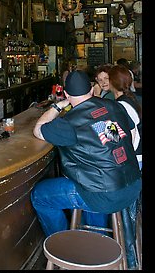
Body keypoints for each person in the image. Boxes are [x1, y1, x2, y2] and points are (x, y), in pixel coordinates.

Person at [30, 70, 141, 241]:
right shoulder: (114, 106)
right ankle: (98, 242)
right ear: (91, 90)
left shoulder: (69, 122)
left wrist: (57, 105)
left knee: (40, 196)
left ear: (66, 94)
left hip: (105, 196)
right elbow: (131, 134)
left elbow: (38, 130)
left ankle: (63, 245)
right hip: (134, 185)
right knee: (90, 188)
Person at [109, 65, 142, 169]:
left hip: (134, 157)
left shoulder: (120, 106)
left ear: (112, 83)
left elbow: (116, 136)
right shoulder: (131, 99)